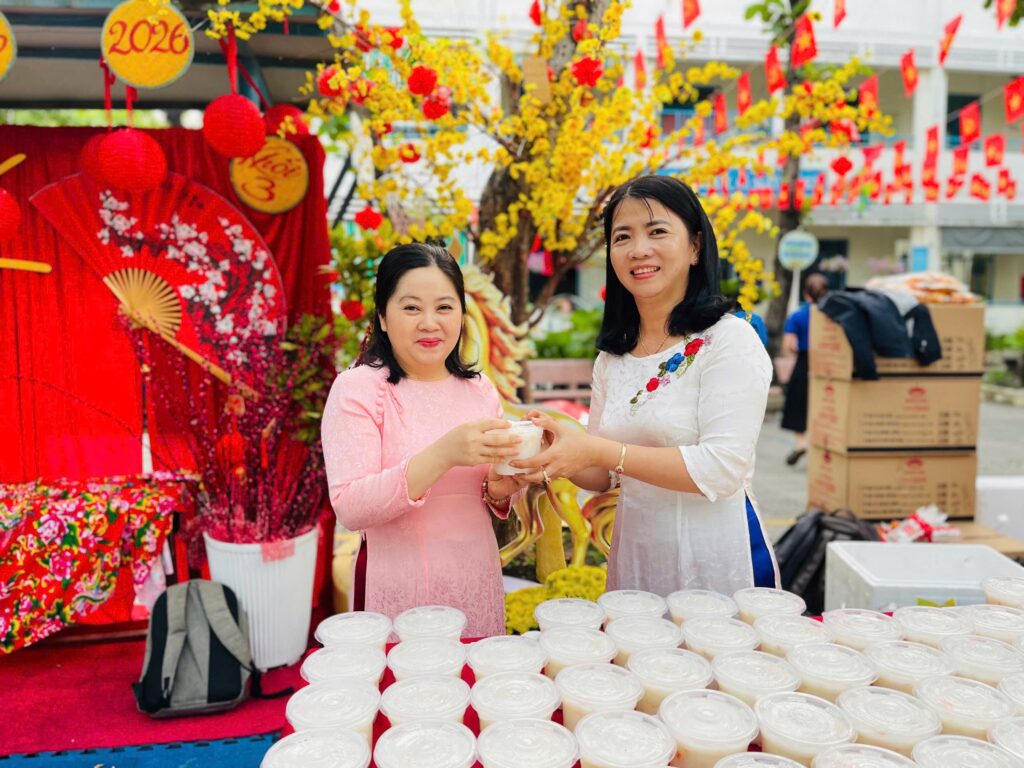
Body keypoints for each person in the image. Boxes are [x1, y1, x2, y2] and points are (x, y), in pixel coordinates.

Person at [514, 175, 778, 596]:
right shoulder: (613, 359)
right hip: (637, 561)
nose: (639, 249)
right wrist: (555, 446)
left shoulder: (730, 340)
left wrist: (600, 451)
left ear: (695, 246)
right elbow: (601, 475)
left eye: (657, 232)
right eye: (623, 237)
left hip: (716, 559)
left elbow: (721, 469)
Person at [321, 243, 536, 637]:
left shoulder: (479, 390)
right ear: (383, 317)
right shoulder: (358, 389)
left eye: (444, 307)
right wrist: (443, 454)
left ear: (461, 315)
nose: (429, 322)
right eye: (411, 308)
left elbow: (485, 493)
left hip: (476, 581)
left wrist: (501, 487)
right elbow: (351, 507)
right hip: (397, 589)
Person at [780, 272, 831, 466]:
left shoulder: (797, 316)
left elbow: (788, 345)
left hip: (804, 363)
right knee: (825, 405)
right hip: (827, 364)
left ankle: (800, 444)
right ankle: (823, 446)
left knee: (798, 405)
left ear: (806, 294)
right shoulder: (832, 316)